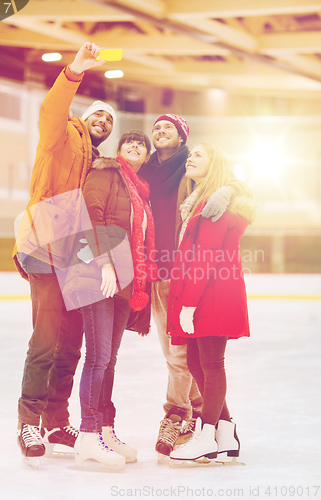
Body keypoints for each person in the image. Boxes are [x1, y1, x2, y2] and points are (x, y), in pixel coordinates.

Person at [12, 42, 117, 463]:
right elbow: (50, 111)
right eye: (98, 114)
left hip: (77, 252)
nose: (103, 121)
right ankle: (29, 421)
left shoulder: (99, 164)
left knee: (71, 343)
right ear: (84, 117)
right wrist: (74, 71)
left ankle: (57, 421)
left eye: (109, 119)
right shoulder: (62, 136)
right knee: (46, 340)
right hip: (42, 245)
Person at [138, 114, 252, 457]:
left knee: (196, 360)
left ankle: (193, 422)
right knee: (189, 357)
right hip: (163, 277)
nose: (160, 131)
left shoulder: (205, 193)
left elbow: (206, 253)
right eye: (155, 127)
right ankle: (223, 430)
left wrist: (229, 188)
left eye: (168, 127)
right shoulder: (146, 172)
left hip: (198, 287)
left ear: (183, 137)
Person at [67, 130, 156, 469]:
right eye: (129, 142)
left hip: (124, 281)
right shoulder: (105, 173)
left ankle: (104, 427)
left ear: (146, 156)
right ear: (118, 150)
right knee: (98, 357)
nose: (135, 146)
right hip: (98, 275)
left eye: (141, 145)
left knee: (110, 359)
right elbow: (93, 215)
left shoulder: (140, 192)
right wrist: (103, 263)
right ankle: (88, 435)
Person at [167, 143, 256, 463]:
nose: (191, 158)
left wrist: (188, 304)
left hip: (213, 292)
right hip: (206, 291)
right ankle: (226, 430)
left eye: (199, 155)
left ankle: (206, 435)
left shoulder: (214, 205)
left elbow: (205, 257)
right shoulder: (201, 202)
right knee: (194, 362)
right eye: (191, 154)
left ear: (214, 163)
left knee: (211, 363)